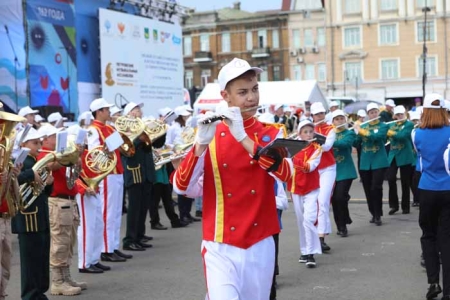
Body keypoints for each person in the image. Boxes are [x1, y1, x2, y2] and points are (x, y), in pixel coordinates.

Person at [173, 58, 292, 300]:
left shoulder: (272, 132)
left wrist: (243, 138)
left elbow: (287, 174)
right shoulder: (209, 132)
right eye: (243, 92)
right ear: (225, 96)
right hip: (220, 243)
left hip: (260, 241)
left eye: (255, 89)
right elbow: (182, 187)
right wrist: (200, 145)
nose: (252, 98)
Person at [37, 124, 85, 296]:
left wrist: (76, 160)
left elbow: (72, 175)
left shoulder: (60, 154)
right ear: (45, 139)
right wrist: (70, 156)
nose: (56, 139)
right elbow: (51, 166)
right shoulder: (44, 155)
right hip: (58, 202)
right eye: (52, 136)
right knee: (59, 242)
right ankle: (57, 281)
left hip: (69, 201)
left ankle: (66, 276)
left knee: (69, 242)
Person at [413, 93, 450, 300]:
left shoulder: (416, 133)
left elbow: (420, 157)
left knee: (428, 236)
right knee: (447, 238)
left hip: (427, 188)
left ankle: (433, 282)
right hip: (448, 188)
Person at [13, 127, 53, 300]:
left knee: (41, 257)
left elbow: (43, 191)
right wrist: (31, 174)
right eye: (34, 143)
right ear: (23, 144)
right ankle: (30, 294)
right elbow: (13, 179)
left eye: (39, 142)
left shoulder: (37, 162)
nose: (39, 146)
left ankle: (39, 292)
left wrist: (48, 183)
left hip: (40, 216)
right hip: (27, 218)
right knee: (30, 261)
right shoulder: (19, 161)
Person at [88, 99, 128, 263]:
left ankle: (113, 246)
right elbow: (94, 153)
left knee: (117, 211)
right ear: (99, 111)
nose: (109, 112)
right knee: (108, 211)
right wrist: (108, 146)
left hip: (117, 171)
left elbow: (122, 147)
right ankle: (106, 248)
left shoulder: (110, 127)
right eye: (107, 109)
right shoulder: (93, 130)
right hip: (106, 174)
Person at [288, 120, 322, 268]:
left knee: (309, 219)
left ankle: (311, 253)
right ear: (300, 133)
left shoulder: (317, 149)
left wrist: (293, 158)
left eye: (310, 132)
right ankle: (304, 250)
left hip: (311, 188)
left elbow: (309, 167)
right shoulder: (292, 146)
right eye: (305, 132)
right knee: (301, 220)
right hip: (295, 187)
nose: (308, 135)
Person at [121, 102, 155, 251]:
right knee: (134, 209)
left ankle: (139, 236)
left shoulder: (143, 127)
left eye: (139, 110)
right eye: (137, 110)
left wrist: (158, 132)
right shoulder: (124, 129)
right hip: (133, 171)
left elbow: (154, 145)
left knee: (143, 207)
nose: (140, 112)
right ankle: (130, 239)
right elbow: (126, 149)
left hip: (146, 172)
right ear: (130, 114)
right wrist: (138, 139)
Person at [353, 103, 389, 226]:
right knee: (368, 189)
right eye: (371, 112)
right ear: (368, 114)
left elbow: (378, 137)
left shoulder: (383, 126)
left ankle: (378, 214)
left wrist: (362, 132)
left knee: (376, 187)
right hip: (365, 161)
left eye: (375, 112)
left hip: (379, 160)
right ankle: (373, 213)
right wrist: (355, 133)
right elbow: (356, 143)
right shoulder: (363, 126)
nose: (374, 114)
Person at [167, 106, 199, 224]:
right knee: (182, 184)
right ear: (180, 116)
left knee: (191, 184)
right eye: (185, 115)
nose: (187, 117)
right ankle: (182, 214)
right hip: (180, 158)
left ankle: (188, 213)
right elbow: (168, 143)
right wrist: (177, 149)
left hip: (189, 156)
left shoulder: (188, 127)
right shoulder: (173, 128)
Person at [311, 101, 336, 252]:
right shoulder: (307, 128)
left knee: (323, 201)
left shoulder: (330, 128)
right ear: (312, 116)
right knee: (313, 203)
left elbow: (326, 147)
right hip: (313, 169)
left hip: (328, 168)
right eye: (317, 114)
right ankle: (315, 237)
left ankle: (321, 237)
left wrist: (312, 136)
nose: (320, 116)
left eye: (321, 113)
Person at [331, 110, 357, 237]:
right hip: (331, 171)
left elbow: (344, 144)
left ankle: (343, 225)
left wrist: (327, 141)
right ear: (332, 122)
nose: (340, 121)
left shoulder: (349, 133)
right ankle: (340, 224)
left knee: (339, 197)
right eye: (337, 119)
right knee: (335, 200)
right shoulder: (329, 133)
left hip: (346, 170)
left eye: (342, 118)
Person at [386, 105, 415, 215]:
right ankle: (394, 205)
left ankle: (405, 206)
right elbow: (386, 137)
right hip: (393, 154)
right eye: (397, 115)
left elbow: (403, 136)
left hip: (405, 154)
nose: (399, 116)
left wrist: (392, 133)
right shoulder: (392, 125)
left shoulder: (409, 124)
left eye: (401, 114)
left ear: (405, 114)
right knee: (391, 178)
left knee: (405, 181)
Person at [0, 162, 21, 300]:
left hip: (6, 217)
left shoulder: (5, 163)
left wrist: (14, 177)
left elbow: (16, 195)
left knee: (6, 264)